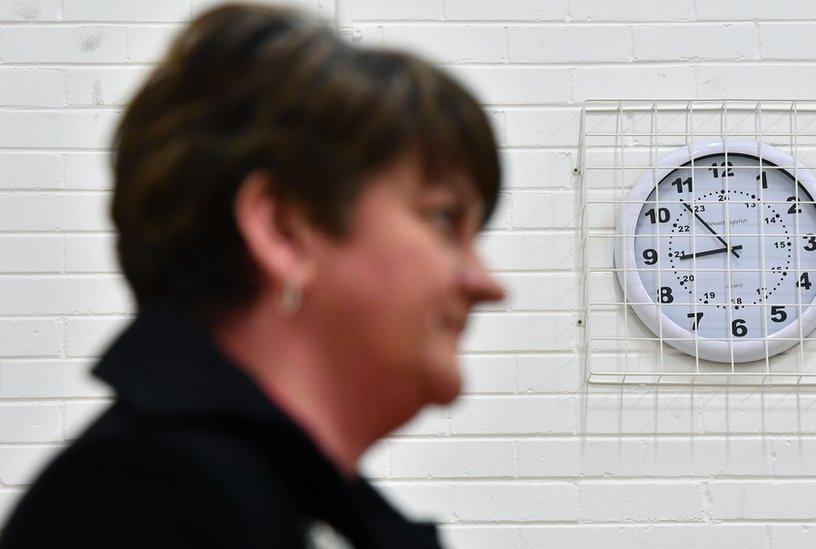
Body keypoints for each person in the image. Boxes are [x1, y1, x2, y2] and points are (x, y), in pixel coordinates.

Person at [0, 2, 504, 548]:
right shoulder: (144, 504)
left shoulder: (275, 497)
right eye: (444, 219)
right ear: (284, 231)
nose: (486, 284)